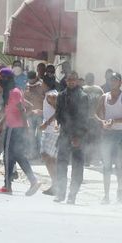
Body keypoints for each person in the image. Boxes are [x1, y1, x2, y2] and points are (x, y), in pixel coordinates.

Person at [0, 68, 41, 196]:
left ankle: (7, 186)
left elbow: (22, 110)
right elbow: (14, 109)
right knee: (18, 156)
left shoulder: (14, 93)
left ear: (7, 79)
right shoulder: (11, 92)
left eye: (0, 78)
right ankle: (33, 181)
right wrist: (1, 122)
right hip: (13, 127)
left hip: (14, 128)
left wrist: (26, 128)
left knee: (8, 156)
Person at [54, 71, 89, 204]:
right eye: (69, 80)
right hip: (64, 134)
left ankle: (72, 195)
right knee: (61, 163)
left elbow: (83, 118)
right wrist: (61, 124)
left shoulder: (83, 96)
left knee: (77, 165)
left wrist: (77, 136)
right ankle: (61, 193)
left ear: (77, 81)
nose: (71, 82)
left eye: (73, 80)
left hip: (78, 135)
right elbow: (58, 113)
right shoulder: (61, 95)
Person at [96, 72, 122, 204]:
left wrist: (114, 121)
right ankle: (106, 195)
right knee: (106, 165)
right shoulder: (104, 97)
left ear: (120, 82)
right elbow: (95, 114)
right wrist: (102, 122)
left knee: (119, 165)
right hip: (107, 135)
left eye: (115, 80)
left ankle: (120, 191)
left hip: (120, 135)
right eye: (111, 80)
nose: (112, 82)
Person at [39, 77, 59, 195]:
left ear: (45, 84)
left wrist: (46, 123)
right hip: (51, 130)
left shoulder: (50, 95)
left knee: (47, 156)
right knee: (49, 157)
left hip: (52, 131)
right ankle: (56, 184)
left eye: (42, 83)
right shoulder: (51, 94)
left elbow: (59, 111)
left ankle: (56, 184)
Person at [82, 73, 104, 167]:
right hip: (96, 119)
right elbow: (103, 103)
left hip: (87, 118)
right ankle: (96, 159)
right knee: (96, 139)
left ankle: (87, 160)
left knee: (87, 140)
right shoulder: (99, 89)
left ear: (86, 79)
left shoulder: (82, 89)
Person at [24, 71, 44, 159]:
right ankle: (32, 153)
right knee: (30, 135)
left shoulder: (42, 85)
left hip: (40, 113)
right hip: (30, 114)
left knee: (40, 135)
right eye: (30, 79)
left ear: (36, 77)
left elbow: (45, 98)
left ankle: (40, 154)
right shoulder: (26, 86)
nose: (31, 81)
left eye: (33, 79)